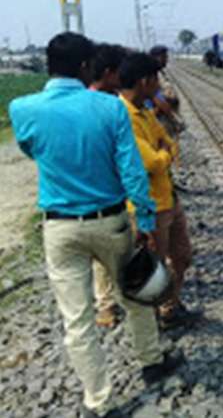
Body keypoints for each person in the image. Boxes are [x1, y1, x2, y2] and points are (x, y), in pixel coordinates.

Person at [9, 33, 183, 418]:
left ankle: (98, 402)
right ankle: (151, 362)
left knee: (78, 319)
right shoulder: (110, 110)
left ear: (46, 64)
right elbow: (132, 170)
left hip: (59, 228)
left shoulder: (23, 108)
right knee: (134, 293)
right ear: (86, 67)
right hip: (111, 221)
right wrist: (147, 219)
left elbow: (30, 148)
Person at [119, 54, 199, 330]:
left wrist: (164, 152)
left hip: (169, 198)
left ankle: (169, 307)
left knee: (182, 256)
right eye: (156, 79)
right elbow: (152, 162)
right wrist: (164, 154)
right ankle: (154, 322)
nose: (159, 85)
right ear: (144, 81)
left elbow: (169, 142)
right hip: (149, 206)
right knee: (155, 266)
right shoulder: (124, 116)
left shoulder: (145, 112)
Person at [88, 43, 128, 328]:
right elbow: (131, 163)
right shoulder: (113, 107)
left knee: (103, 260)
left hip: (95, 198)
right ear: (109, 72)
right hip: (111, 198)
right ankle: (109, 304)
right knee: (111, 259)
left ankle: (107, 306)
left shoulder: (107, 102)